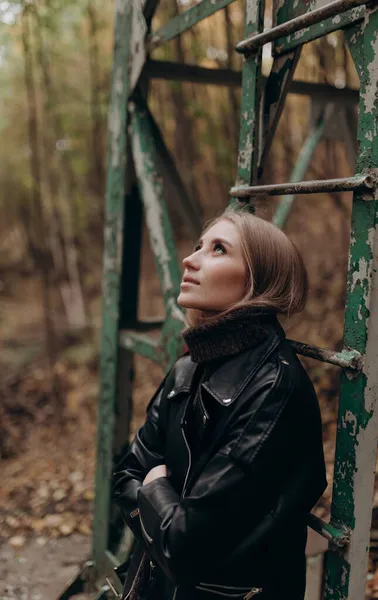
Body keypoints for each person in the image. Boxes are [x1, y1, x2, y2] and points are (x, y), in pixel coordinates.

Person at [112, 209, 327, 600]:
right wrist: (165, 514)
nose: (189, 259)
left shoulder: (273, 390)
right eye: (198, 246)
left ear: (258, 282)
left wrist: (156, 485)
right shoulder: (187, 369)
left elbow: (187, 545)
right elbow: (125, 474)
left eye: (218, 249)